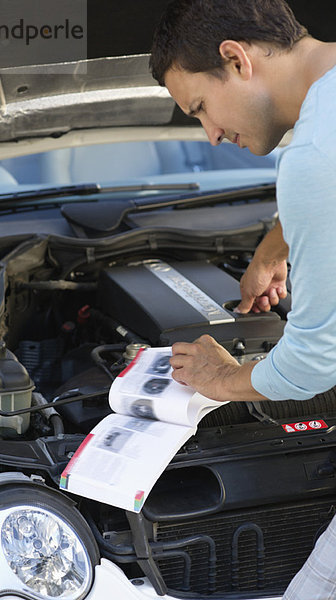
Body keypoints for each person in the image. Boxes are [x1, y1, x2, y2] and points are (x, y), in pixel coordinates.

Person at [150, 1, 336, 598]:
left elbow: (311, 365)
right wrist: (276, 243)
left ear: (235, 58)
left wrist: (221, 376)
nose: (210, 133)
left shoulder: (313, 157)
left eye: (200, 107)